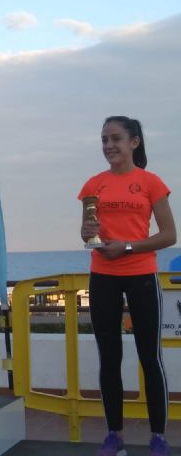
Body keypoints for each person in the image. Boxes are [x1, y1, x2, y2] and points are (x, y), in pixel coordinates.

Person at [79, 116, 176, 456]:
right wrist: (90, 235)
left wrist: (129, 246)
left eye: (116, 138)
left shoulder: (150, 182)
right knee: (110, 357)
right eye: (104, 139)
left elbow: (169, 235)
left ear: (134, 142)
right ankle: (114, 435)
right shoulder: (93, 185)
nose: (108, 146)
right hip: (103, 276)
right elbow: (87, 234)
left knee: (150, 357)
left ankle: (158, 437)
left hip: (141, 275)